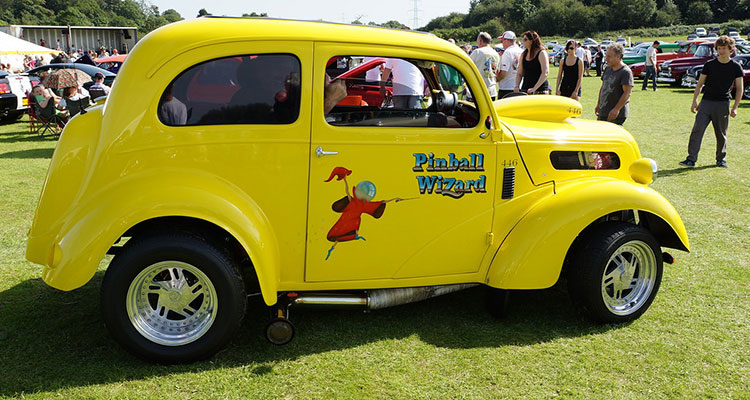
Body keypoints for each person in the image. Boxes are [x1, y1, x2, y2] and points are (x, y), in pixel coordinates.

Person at [679, 36, 743, 168]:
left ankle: (721, 159)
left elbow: (740, 89)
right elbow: (700, 84)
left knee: (721, 134)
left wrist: (735, 107)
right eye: (719, 48)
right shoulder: (709, 65)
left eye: (724, 48)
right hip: (706, 103)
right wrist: (694, 101)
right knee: (697, 130)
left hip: (723, 104)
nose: (721, 51)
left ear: (730, 49)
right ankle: (691, 159)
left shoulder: (736, 67)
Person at [595, 44, 633, 125]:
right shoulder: (608, 68)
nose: (606, 59)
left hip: (616, 115)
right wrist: (598, 104)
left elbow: (627, 93)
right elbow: (603, 87)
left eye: (609, 56)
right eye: (606, 56)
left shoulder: (625, 72)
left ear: (618, 57)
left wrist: (616, 109)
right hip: (603, 111)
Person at [515, 30, 549, 94]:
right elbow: (519, 73)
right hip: (526, 89)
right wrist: (517, 86)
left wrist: (534, 88)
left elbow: (545, 72)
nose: (523, 42)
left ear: (531, 41)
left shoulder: (541, 53)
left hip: (540, 90)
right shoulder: (524, 54)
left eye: (525, 39)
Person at [469, 32, 500, 100]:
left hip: (478, 90)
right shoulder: (496, 53)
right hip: (492, 90)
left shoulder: (477, 52)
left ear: (480, 41)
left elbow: (468, 67)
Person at [496, 31, 523, 99]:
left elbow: (503, 73)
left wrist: (495, 79)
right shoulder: (521, 51)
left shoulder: (507, 52)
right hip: (519, 86)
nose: (502, 43)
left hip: (506, 88)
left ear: (506, 40)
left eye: (502, 40)